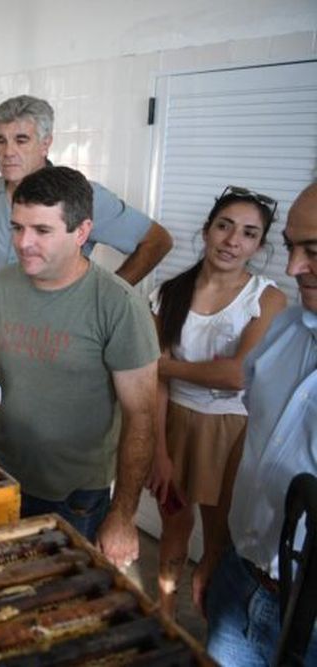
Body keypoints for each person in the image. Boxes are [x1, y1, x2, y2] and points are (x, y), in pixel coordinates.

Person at [0, 166, 159, 569]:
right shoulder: (3, 284)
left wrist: (123, 516)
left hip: (75, 496)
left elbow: (141, 417)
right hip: (0, 474)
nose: (23, 243)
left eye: (42, 231)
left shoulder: (118, 306)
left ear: (82, 232)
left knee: (60, 605)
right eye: (17, 227)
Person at [145, 186, 286, 618]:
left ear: (259, 246)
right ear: (207, 231)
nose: (232, 241)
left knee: (220, 535)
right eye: (224, 226)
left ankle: (212, 619)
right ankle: (164, 612)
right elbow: (155, 385)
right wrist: (160, 451)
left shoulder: (266, 298)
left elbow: (237, 375)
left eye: (248, 233)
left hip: (234, 431)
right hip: (174, 424)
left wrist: (163, 366)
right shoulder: (168, 293)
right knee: (174, 522)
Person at [0, 94, 173, 353]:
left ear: (46, 143)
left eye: (21, 140)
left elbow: (157, 241)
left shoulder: (84, 196)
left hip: (57, 342)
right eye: (0, 140)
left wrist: (104, 296)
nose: (8, 152)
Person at [199, 182, 317, 666]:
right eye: (291, 247)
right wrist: (217, 552)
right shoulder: (287, 330)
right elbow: (252, 442)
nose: (293, 268)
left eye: (314, 250)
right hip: (242, 581)